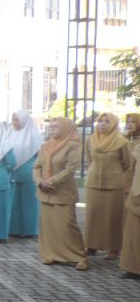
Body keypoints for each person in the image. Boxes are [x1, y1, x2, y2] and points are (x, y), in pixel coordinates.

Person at [34, 117, 88, 270]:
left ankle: (79, 256)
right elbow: (37, 166)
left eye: (56, 127)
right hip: (45, 193)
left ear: (65, 128)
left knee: (67, 225)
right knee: (49, 227)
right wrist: (40, 181)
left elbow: (71, 168)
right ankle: (52, 253)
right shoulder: (46, 146)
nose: (52, 129)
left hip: (63, 193)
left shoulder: (73, 145)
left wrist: (52, 181)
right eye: (50, 127)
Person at [83, 112, 132, 260]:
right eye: (100, 121)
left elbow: (127, 163)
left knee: (113, 217)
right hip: (93, 183)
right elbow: (89, 159)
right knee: (93, 215)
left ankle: (113, 248)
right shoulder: (90, 140)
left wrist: (114, 173)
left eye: (106, 122)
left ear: (114, 124)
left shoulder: (122, 142)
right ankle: (91, 246)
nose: (102, 124)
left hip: (114, 184)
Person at [8, 110, 43, 238]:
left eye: (17, 120)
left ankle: (30, 230)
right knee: (14, 201)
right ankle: (14, 229)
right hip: (13, 172)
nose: (14, 123)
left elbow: (41, 154)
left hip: (28, 172)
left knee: (29, 202)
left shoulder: (34, 135)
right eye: (13, 120)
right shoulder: (10, 133)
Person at [121, 134, 140, 277]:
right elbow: (132, 169)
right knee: (133, 233)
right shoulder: (138, 148)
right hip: (136, 195)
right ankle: (133, 268)